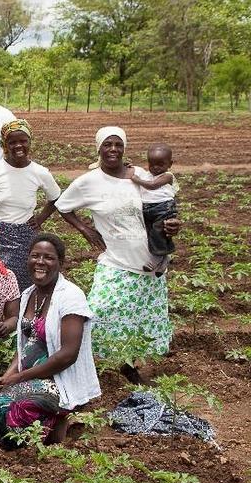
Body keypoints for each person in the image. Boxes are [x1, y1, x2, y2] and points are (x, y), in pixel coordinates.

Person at [56, 127, 180, 369]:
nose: (113, 149)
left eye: (118, 145)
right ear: (98, 148)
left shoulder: (141, 174)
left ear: (124, 148)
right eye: (107, 144)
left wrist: (173, 225)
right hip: (116, 261)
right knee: (99, 311)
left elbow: (164, 203)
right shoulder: (88, 182)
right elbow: (63, 205)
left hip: (149, 262)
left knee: (140, 320)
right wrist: (86, 230)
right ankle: (91, 368)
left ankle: (129, 367)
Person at [0, 234, 101, 448]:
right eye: (35, 256)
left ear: (60, 263)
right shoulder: (28, 294)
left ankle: (47, 436)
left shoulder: (71, 297)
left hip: (59, 380)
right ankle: (21, 441)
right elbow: (26, 346)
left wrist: (19, 378)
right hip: (30, 376)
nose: (40, 262)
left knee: (7, 408)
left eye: (48, 257)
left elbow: (68, 355)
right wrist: (9, 375)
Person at [0, 119, 61, 288]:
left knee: (23, 282)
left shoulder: (39, 172)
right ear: (5, 145)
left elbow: (56, 197)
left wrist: (39, 219)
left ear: (30, 142)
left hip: (25, 234)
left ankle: (21, 313)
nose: (18, 146)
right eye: (12, 142)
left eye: (23, 141)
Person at [128, 142, 178, 275]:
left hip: (163, 208)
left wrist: (136, 179)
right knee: (152, 234)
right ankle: (164, 260)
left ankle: (156, 258)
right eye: (152, 164)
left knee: (158, 233)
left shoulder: (167, 176)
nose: (155, 168)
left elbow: (152, 185)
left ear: (170, 164)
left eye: (160, 164)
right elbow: (138, 172)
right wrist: (129, 167)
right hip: (148, 209)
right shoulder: (147, 174)